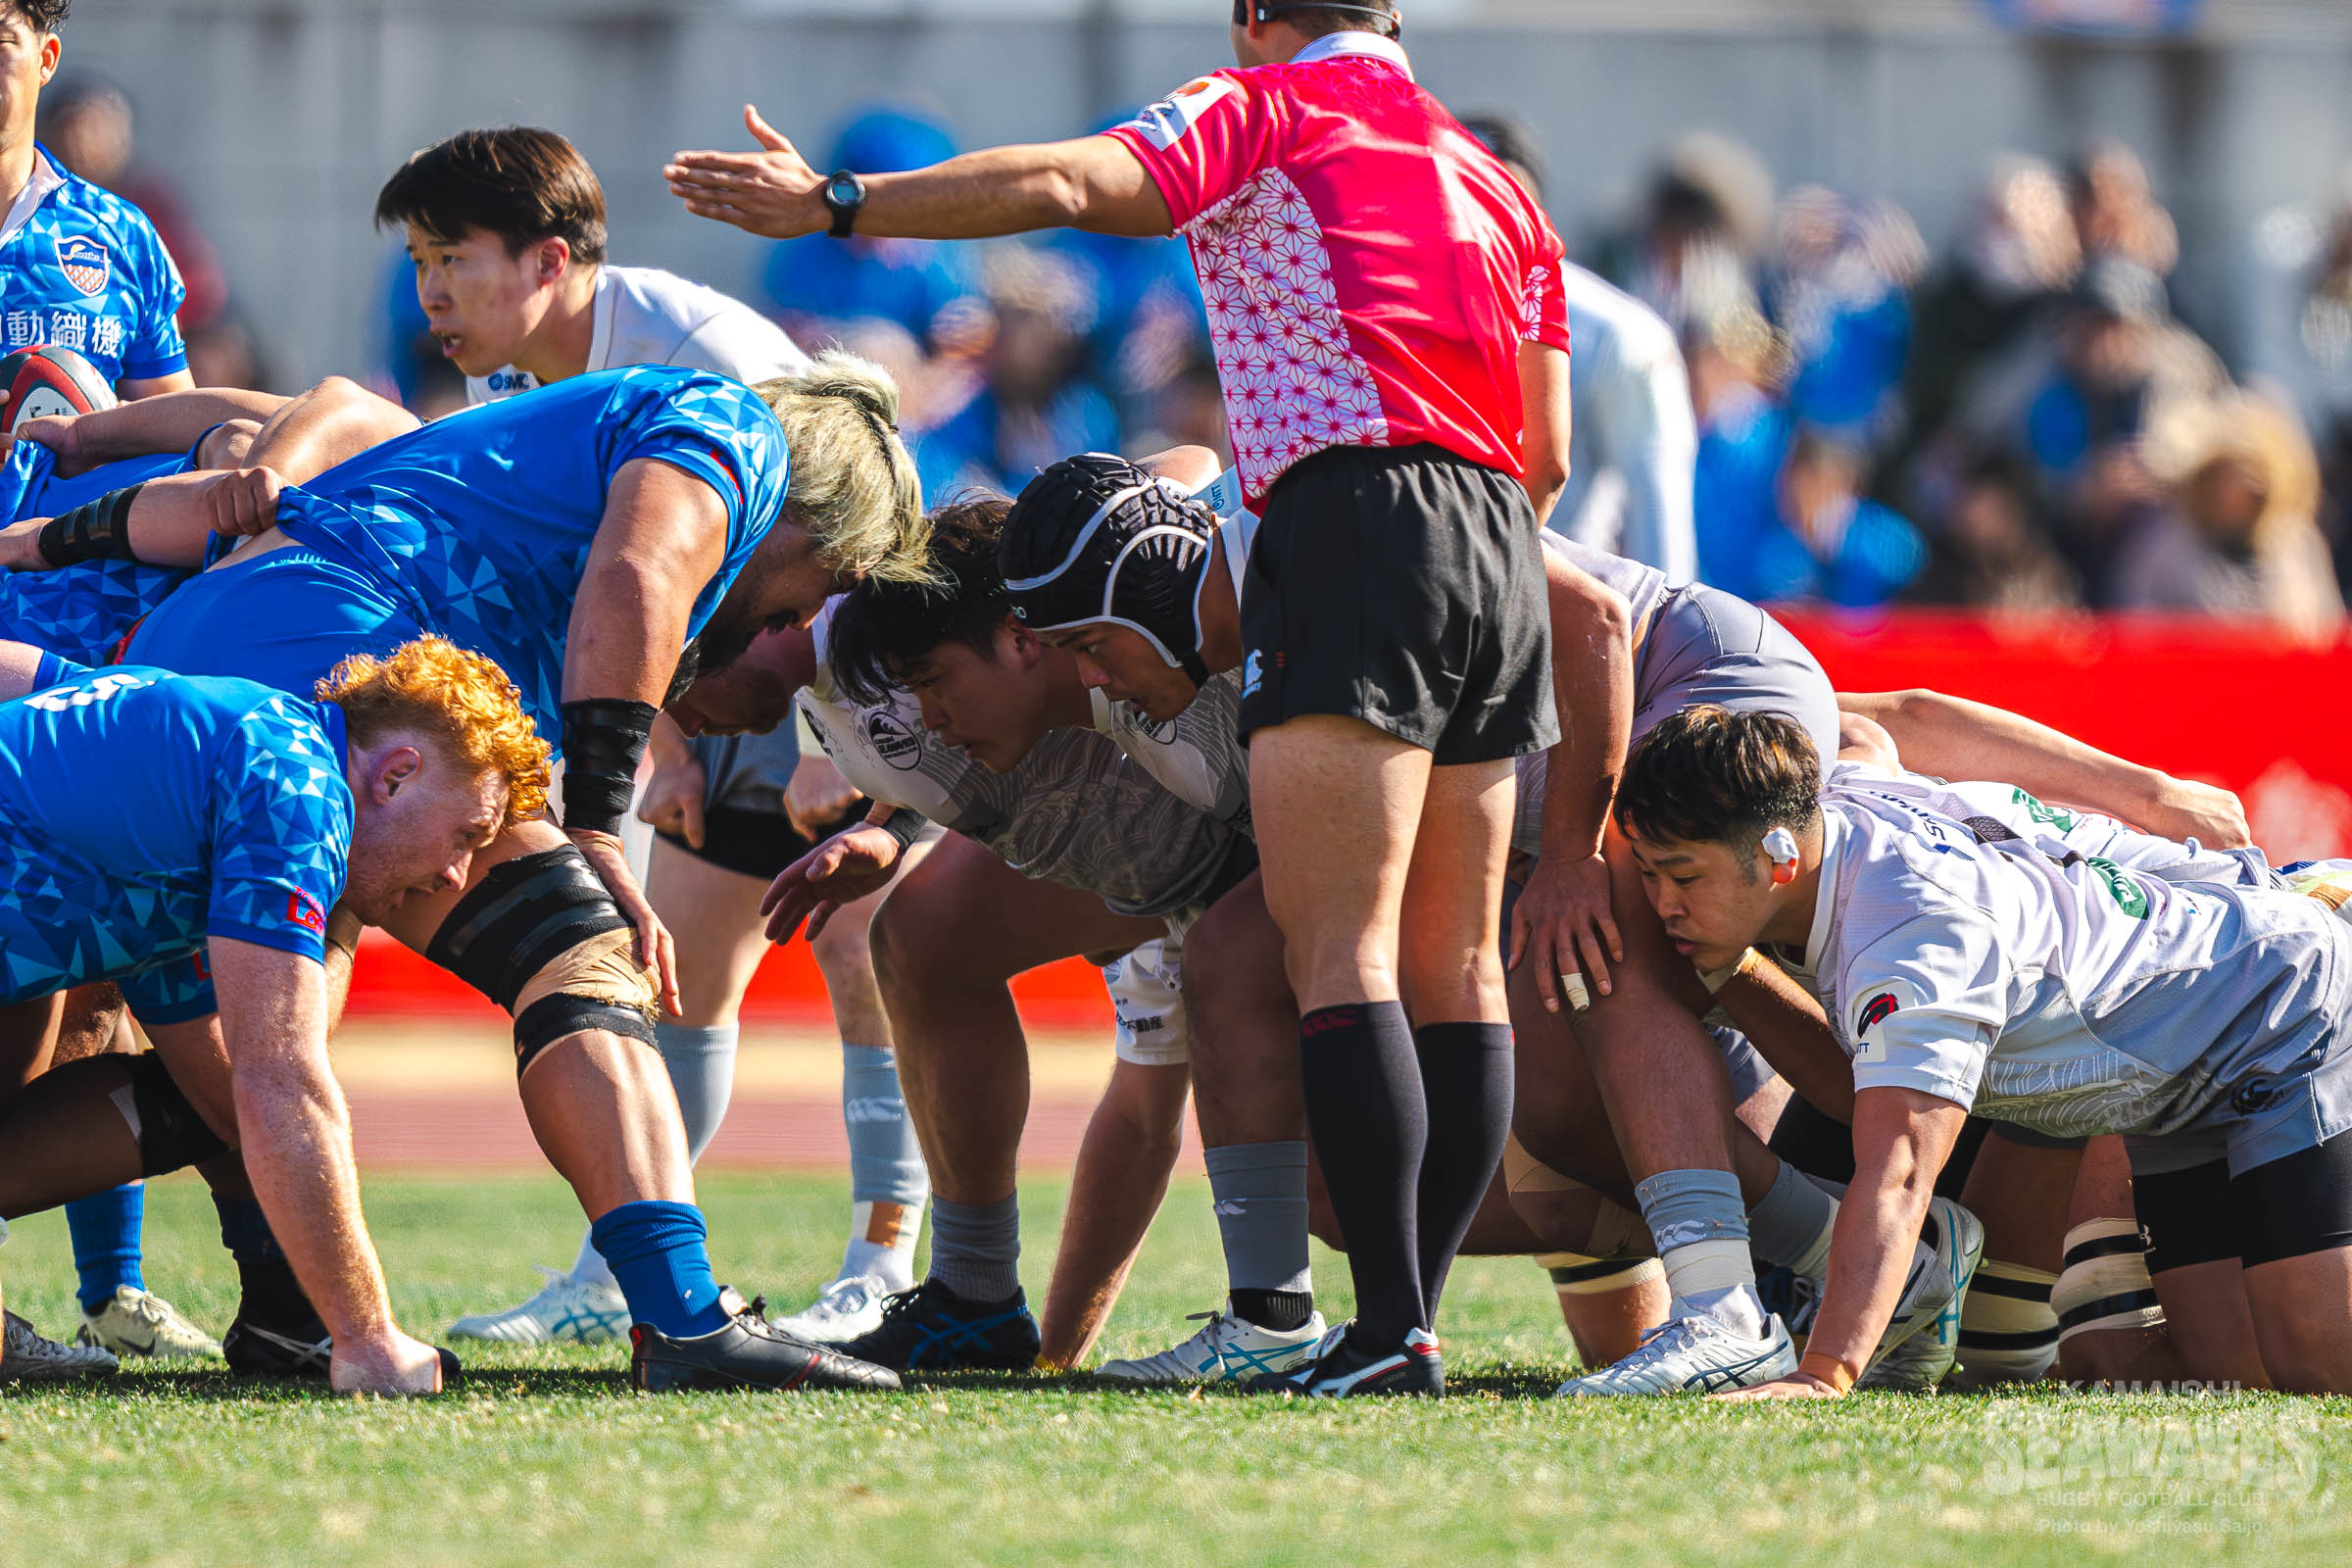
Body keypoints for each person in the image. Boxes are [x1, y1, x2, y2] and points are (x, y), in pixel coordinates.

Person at [669, 0, 1574, 1398]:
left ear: (1256, 17)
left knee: (1342, 954)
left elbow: (1073, 182)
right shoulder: (1501, 183)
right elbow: (1548, 449)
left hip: (1347, 507)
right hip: (1499, 526)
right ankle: (1406, 1326)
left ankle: (1391, 1332)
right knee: (1455, 965)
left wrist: (838, 204)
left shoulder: (1270, 105)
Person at [0, 359, 925, 1394]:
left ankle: (290, 1310)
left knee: (225, 1066)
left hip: (218, 662)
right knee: (571, 950)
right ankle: (679, 1315)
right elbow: (640, 572)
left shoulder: (511, 453)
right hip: (325, 676)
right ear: (826, 531)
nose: (790, 629)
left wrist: (62, 515)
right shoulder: (731, 426)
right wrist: (598, 828)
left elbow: (332, 414)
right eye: (815, 600)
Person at [365, 124, 924, 1348]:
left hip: (811, 668)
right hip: (698, 683)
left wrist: (835, 732)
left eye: (453, 258)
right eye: (419, 263)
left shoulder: (704, 352)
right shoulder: (509, 378)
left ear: (549, 261)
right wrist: (661, 738)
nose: (432, 294)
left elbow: (844, 532)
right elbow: (616, 584)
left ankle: (884, 1263)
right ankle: (619, 1272)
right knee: (684, 972)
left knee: (870, 949)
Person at [675, 500, 1275, 1376]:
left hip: (1224, 848)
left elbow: (1165, 488)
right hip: (1139, 862)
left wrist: (1156, 550)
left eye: (680, 678)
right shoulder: (862, 653)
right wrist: (890, 828)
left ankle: (1332, 1312)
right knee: (924, 939)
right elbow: (937, 749)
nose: (679, 717)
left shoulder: (921, 607)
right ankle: (976, 1300)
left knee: (1321, 1173)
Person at [1618, 708, 2352, 1398]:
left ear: (1780, 857)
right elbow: (1866, 726)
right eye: (1648, 873)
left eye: (1684, 876)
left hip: (2280, 1004)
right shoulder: (1835, 791)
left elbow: (1901, 1172)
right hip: (2177, 1067)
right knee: (2238, 1367)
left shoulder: (1913, 941)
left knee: (2320, 1360)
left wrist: (1823, 1374)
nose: (1662, 903)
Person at [0, 636, 552, 1394]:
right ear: (396, 775)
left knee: (215, 1099)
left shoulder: (232, 754)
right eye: (466, 836)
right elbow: (282, 1082)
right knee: (269, 1090)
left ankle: (287, 1318)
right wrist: (367, 1340)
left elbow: (234, 1099)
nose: (455, 874)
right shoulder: (297, 790)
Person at [1459, 113, 1698, 582]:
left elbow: (1660, 512)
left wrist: (1657, 622)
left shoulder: (1616, 333)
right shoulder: (1397, 307)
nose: (1485, 217)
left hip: (1564, 601)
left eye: (1501, 197)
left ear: (1533, 210)